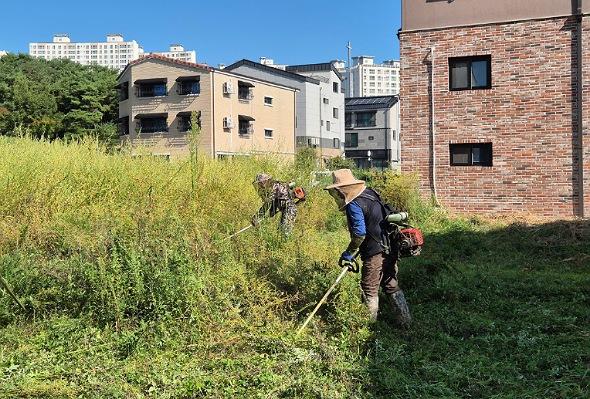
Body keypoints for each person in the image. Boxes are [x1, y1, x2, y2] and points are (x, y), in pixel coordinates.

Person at [325, 169, 411, 326]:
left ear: (341, 189)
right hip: (390, 246)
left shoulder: (354, 204)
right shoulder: (371, 193)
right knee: (390, 284)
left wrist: (348, 253)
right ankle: (405, 322)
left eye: (336, 192)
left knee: (369, 288)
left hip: (375, 252)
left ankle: (367, 329)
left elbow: (359, 234)